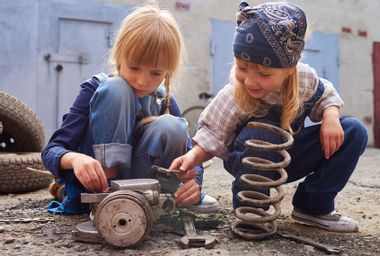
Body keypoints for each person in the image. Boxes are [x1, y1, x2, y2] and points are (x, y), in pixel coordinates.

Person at [171, 2, 368, 233]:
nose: (251, 81)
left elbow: (327, 94)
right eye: (242, 68)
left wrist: (331, 116)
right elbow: (211, 134)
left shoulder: (304, 79)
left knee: (355, 131)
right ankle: (252, 209)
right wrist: (192, 157)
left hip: (288, 156)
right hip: (251, 163)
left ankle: (313, 206)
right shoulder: (234, 94)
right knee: (263, 131)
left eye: (264, 74)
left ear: (289, 70)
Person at [41, 5, 218, 215]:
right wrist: (76, 159)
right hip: (97, 190)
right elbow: (52, 150)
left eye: (156, 73)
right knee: (117, 89)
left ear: (168, 72)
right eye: (134, 67)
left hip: (147, 195)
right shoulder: (95, 90)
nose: (143, 81)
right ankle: (107, 196)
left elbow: (191, 157)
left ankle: (158, 200)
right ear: (119, 55)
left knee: (172, 126)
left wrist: (194, 183)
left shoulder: (164, 101)